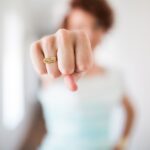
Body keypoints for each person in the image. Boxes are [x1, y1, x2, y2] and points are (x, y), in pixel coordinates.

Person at [30, 0, 135, 149]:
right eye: (80, 26)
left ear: (105, 28)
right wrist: (47, 52)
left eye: (96, 25)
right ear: (66, 29)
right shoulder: (54, 73)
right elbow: (46, 71)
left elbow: (131, 111)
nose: (89, 34)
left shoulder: (115, 75)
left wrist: (122, 143)